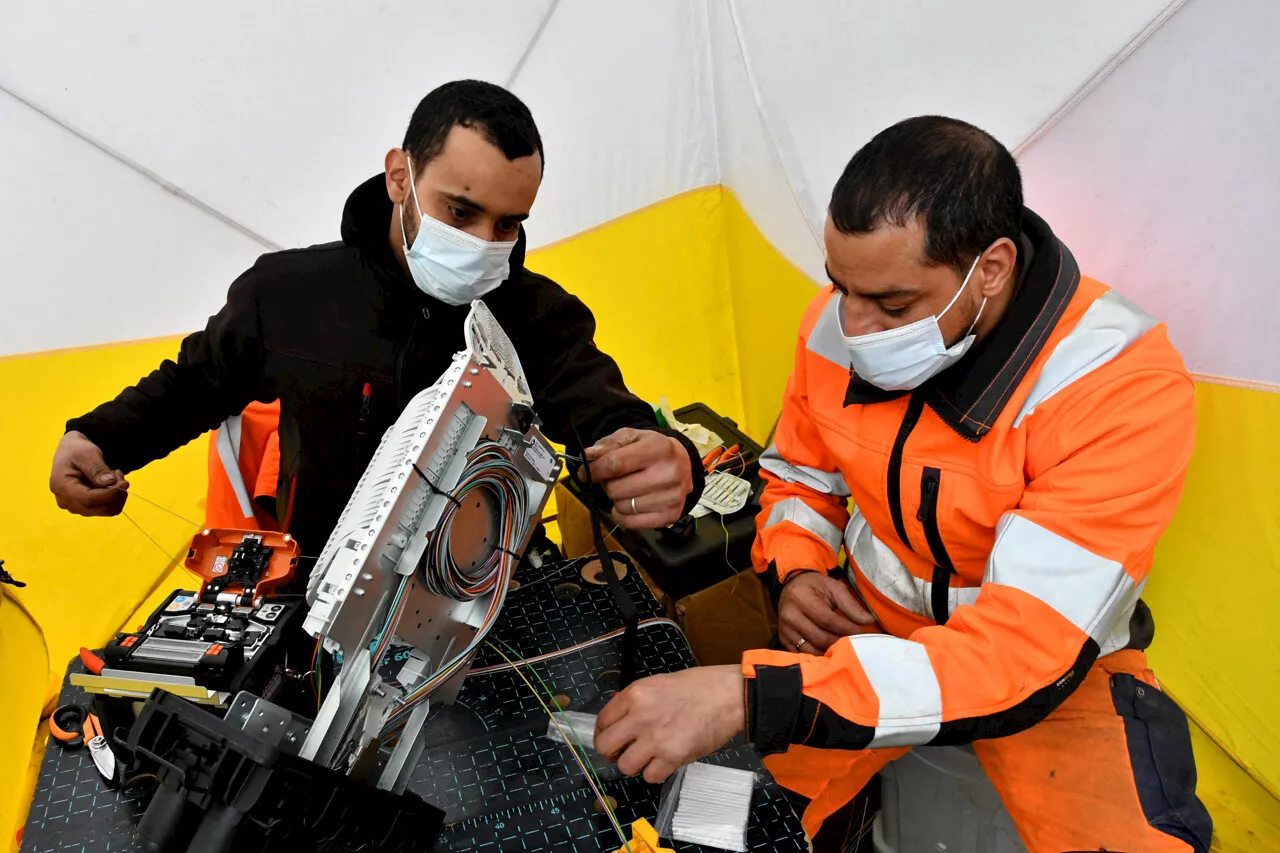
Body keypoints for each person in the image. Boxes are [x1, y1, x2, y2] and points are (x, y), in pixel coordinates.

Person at [593, 116, 1212, 853]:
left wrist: (753, 695)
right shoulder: (836, 322)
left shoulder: (1118, 383)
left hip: (1056, 681)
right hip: (863, 635)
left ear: (991, 268)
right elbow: (797, 478)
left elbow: (1022, 653)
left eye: (892, 306)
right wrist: (798, 572)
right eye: (838, 286)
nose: (853, 326)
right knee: (708, 824)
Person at [48, 80, 703, 564]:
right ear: (400, 176)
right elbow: (195, 383)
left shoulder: (539, 316)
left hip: (482, 597)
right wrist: (99, 439)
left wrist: (672, 458)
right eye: (460, 211)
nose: (484, 240)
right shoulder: (288, 293)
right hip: (314, 584)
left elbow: (611, 417)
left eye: (508, 224)